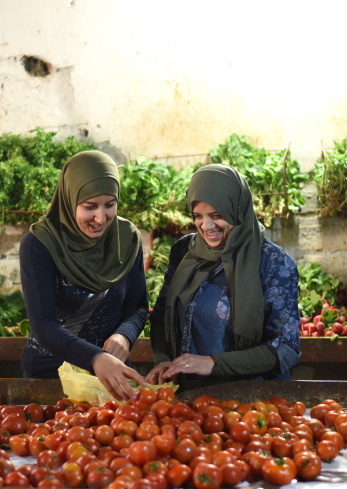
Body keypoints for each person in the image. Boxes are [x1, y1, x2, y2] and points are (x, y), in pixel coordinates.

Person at [146, 164, 301, 384]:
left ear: (237, 211)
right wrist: (163, 359)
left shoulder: (273, 262)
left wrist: (213, 363)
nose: (206, 226)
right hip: (188, 399)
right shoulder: (184, 252)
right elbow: (161, 316)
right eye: (198, 216)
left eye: (216, 215)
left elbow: (284, 347)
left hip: (251, 405)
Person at [19, 150, 148, 401]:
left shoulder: (127, 238)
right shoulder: (40, 244)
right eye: (90, 207)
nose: (101, 218)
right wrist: (95, 358)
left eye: (110, 205)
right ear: (69, 198)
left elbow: (138, 307)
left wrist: (125, 335)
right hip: (51, 374)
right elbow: (43, 324)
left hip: (112, 375)